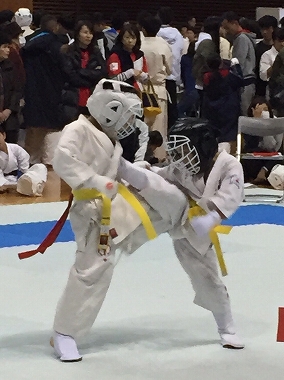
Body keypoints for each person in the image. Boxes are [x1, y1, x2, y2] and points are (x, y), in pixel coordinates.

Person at [51, 79, 189, 362]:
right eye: (126, 115)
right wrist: (97, 181)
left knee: (165, 204)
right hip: (91, 209)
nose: (128, 123)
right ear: (109, 110)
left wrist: (137, 171)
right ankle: (65, 333)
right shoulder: (78, 129)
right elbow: (62, 160)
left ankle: (148, 234)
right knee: (91, 271)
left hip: (111, 205)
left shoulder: (107, 136)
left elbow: (115, 169)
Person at [152, 117, 245, 350]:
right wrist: (139, 170)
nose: (180, 156)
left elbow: (230, 197)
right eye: (177, 150)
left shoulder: (229, 165)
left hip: (199, 231)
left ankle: (227, 328)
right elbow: (163, 175)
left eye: (184, 149)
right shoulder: (185, 167)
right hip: (178, 218)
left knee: (207, 280)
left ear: (203, 146)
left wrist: (213, 219)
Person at [59, 19, 107, 125]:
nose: (88, 36)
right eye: (85, 32)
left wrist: (82, 72)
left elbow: (103, 73)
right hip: (72, 98)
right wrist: (90, 77)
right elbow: (70, 76)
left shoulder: (96, 52)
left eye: (90, 33)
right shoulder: (67, 51)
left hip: (92, 98)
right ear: (77, 34)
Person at [202, 55, 243, 154]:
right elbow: (240, 81)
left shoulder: (206, 77)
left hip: (211, 110)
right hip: (229, 109)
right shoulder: (228, 75)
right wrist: (236, 66)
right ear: (221, 63)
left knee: (215, 135)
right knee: (229, 136)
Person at [241, 96, 283, 184]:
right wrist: (257, 123)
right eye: (260, 110)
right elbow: (251, 145)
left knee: (277, 157)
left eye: (265, 109)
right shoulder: (248, 124)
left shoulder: (277, 123)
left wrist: (265, 126)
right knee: (249, 155)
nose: (263, 113)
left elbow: (273, 147)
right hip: (255, 156)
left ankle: (263, 174)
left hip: (272, 157)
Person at [0, 126, 47, 195]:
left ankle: (30, 185)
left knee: (40, 167)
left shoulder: (15, 148)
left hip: (21, 177)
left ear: (4, 135)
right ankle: (28, 186)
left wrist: (23, 176)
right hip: (6, 181)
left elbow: (24, 164)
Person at [107, 23, 148, 91]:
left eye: (133, 38)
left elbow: (146, 77)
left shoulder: (140, 55)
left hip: (139, 92)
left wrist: (143, 76)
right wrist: (130, 73)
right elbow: (113, 79)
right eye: (127, 37)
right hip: (121, 93)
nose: (130, 41)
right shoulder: (115, 56)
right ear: (121, 38)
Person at [0, 31, 22, 144]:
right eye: (4, 47)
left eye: (8, 47)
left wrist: (8, 110)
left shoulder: (10, 66)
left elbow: (17, 89)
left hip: (9, 116)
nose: (8, 50)